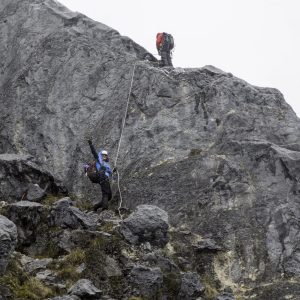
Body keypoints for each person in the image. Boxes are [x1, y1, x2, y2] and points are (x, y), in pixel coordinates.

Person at [86, 139, 113, 212]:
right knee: (106, 194)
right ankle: (105, 209)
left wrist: (113, 171)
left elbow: (109, 173)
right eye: (103, 155)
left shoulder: (106, 164)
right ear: (101, 155)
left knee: (109, 196)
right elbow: (94, 152)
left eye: (106, 155)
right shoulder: (99, 160)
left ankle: (96, 206)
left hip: (105, 179)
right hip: (102, 177)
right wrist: (90, 144)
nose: (105, 156)